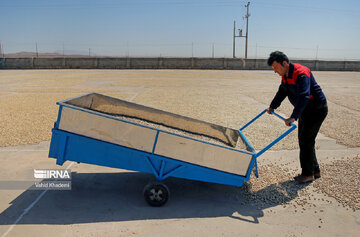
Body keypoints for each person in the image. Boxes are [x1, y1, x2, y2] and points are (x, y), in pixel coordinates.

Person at [266, 51, 328, 183]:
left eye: (276, 68)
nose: (275, 71)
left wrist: (294, 116)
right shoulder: (286, 75)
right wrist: (272, 106)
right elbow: (282, 91)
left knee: (306, 140)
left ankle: (308, 174)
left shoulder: (301, 73)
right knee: (306, 140)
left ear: (284, 63)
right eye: (273, 69)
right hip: (306, 110)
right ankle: (314, 171)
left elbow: (304, 96)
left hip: (316, 109)